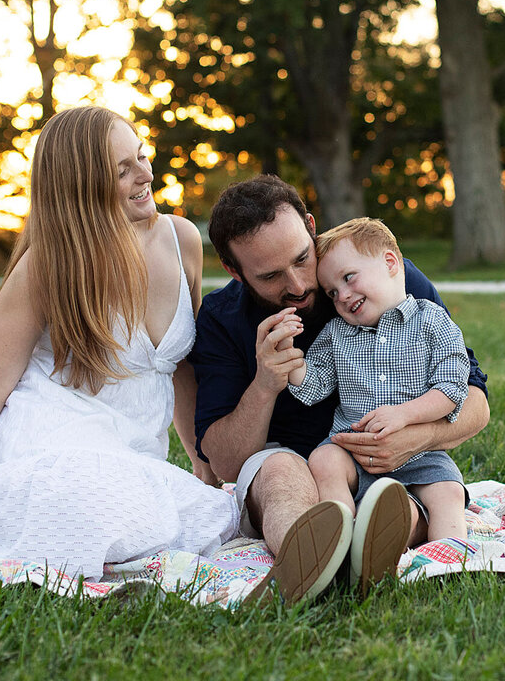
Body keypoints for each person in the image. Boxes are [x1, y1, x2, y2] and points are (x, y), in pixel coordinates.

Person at [0, 108, 344, 604]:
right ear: (84, 184)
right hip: (49, 436)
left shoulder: (180, 239)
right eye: (124, 169)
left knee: (203, 518)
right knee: (79, 493)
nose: (145, 173)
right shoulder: (50, 263)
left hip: (132, 453)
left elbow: (182, 368)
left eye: (141, 156)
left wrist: (199, 464)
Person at [191, 175, 489, 595]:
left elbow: (473, 400)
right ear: (234, 272)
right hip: (292, 458)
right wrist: (265, 383)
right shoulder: (222, 319)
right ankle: (315, 561)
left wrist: (410, 438)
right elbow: (224, 462)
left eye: (301, 259)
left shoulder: (379, 278)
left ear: (311, 227)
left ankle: (371, 546)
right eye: (271, 276)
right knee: (279, 474)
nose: (297, 286)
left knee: (392, 498)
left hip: (390, 457)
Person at [285, 218, 470, 579]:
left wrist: (405, 416)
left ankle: (450, 562)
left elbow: (452, 385)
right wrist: (293, 365)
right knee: (324, 458)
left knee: (447, 491)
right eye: (332, 292)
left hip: (422, 453)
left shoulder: (432, 320)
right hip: (353, 450)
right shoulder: (336, 334)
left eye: (348, 278)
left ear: (389, 263)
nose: (342, 295)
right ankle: (339, 534)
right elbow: (315, 385)